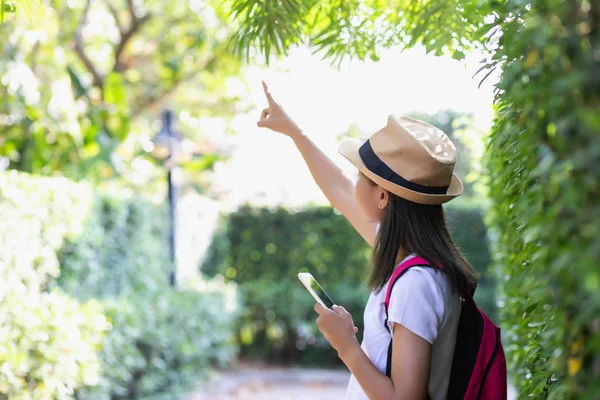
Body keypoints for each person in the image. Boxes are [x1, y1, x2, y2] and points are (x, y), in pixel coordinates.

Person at [256, 81, 478, 400]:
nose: (354, 182)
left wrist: (346, 345)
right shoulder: (416, 262)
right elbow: (341, 192)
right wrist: (293, 131)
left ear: (383, 196)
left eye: (361, 176)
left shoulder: (415, 283)